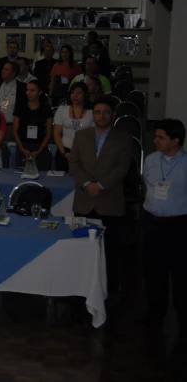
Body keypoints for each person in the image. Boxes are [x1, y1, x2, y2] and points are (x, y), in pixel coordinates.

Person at [69, 98, 133, 295]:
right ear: (92, 114)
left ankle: (109, 294)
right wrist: (88, 184)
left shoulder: (124, 139)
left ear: (113, 115)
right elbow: (74, 164)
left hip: (109, 201)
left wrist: (101, 185)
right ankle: (80, 294)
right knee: (81, 252)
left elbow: (122, 168)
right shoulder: (81, 135)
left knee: (110, 252)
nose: (101, 116)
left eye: (106, 112)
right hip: (84, 200)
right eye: (97, 112)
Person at [142, 119, 187, 335]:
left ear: (175, 141)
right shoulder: (150, 160)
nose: (155, 140)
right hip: (152, 222)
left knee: (179, 274)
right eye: (156, 136)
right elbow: (147, 184)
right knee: (153, 271)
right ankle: (154, 314)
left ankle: (182, 318)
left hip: (177, 225)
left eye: (161, 137)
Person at [53, 82, 93, 171]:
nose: (75, 95)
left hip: (84, 153)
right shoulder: (62, 109)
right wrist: (64, 153)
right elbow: (57, 133)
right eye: (72, 93)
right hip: (64, 151)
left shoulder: (92, 112)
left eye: (78, 93)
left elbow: (94, 136)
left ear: (85, 95)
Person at [12, 81, 53, 167]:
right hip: (23, 146)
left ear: (40, 92)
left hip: (40, 147)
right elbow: (15, 131)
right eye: (27, 90)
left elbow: (48, 133)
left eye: (32, 90)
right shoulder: (20, 107)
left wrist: (39, 151)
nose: (29, 93)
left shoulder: (46, 108)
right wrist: (23, 150)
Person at [0, 61, 27, 132]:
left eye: (7, 69)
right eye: (3, 69)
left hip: (13, 125)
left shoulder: (22, 87)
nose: (3, 71)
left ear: (14, 73)